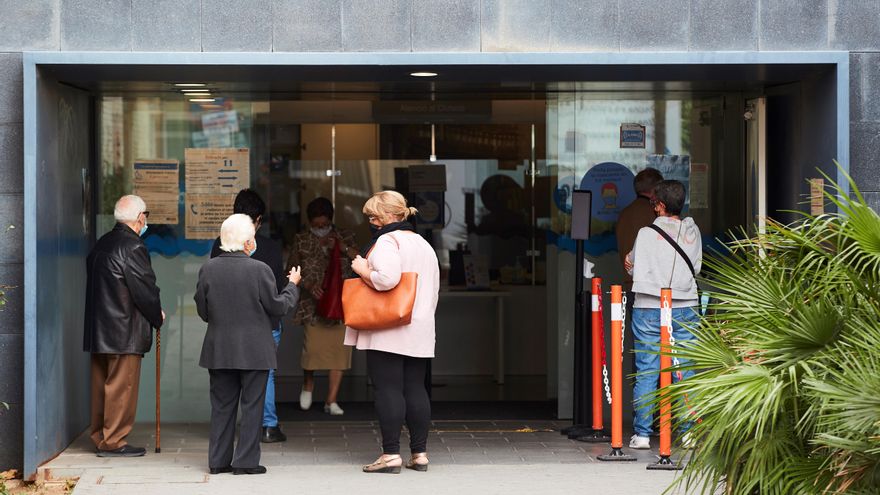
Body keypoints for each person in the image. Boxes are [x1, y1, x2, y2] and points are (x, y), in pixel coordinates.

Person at [195, 214, 301, 475]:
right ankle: (245, 462)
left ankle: (218, 461)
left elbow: (203, 310)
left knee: (222, 407)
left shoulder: (208, 268)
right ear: (247, 242)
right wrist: (292, 286)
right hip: (255, 350)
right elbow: (277, 307)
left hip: (219, 349)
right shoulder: (259, 270)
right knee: (252, 407)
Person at [345, 191, 440, 474]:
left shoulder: (388, 241)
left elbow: (387, 279)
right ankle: (419, 453)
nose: (372, 221)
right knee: (415, 388)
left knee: (388, 389)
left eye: (374, 215)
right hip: (419, 326)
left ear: (390, 215)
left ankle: (390, 455)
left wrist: (362, 269)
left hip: (389, 328)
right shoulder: (422, 243)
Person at [83, 194, 164, 457]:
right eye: (146, 217)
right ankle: (114, 441)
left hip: (99, 329)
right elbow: (144, 290)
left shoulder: (102, 243)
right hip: (123, 330)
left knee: (101, 387)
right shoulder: (133, 246)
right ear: (140, 218)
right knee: (122, 386)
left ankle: (99, 436)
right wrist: (157, 315)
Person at [624, 180, 702, 450]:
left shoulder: (645, 234)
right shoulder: (693, 232)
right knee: (685, 369)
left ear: (658, 205)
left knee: (647, 369)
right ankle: (689, 432)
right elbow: (697, 268)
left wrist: (630, 263)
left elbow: (633, 267)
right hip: (685, 305)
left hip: (648, 306)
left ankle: (643, 435)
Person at [210, 189, 288, 443]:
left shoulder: (217, 247)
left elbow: (209, 294)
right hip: (264, 324)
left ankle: (229, 432)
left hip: (226, 325)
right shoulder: (270, 248)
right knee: (264, 374)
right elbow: (276, 292)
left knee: (229, 375)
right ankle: (267, 426)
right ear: (258, 220)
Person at [289, 197, 359, 416]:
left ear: (331, 221)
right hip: (312, 305)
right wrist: (309, 285)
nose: (321, 229)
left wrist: (341, 246)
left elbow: (361, 261)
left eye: (324, 225)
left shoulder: (345, 236)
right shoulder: (301, 240)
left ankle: (331, 400)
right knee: (312, 351)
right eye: (316, 226)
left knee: (339, 352)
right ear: (310, 222)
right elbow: (291, 269)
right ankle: (307, 384)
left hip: (340, 304)